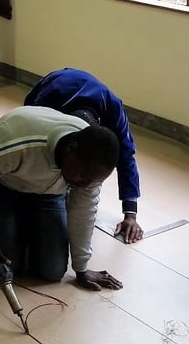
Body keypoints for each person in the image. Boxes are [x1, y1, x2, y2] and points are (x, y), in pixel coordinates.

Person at [0, 106, 124, 291]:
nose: (86, 184)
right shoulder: (15, 141)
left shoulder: (90, 168)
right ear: (71, 149)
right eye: (83, 176)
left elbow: (83, 212)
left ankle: (20, 224)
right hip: (3, 187)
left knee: (53, 270)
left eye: (93, 181)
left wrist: (81, 269)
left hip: (48, 196)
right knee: (9, 264)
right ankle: (8, 222)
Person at [25, 68, 144, 243]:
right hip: (58, 82)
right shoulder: (50, 101)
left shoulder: (114, 111)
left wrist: (130, 214)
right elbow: (26, 127)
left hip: (92, 96)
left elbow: (126, 157)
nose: (84, 183)